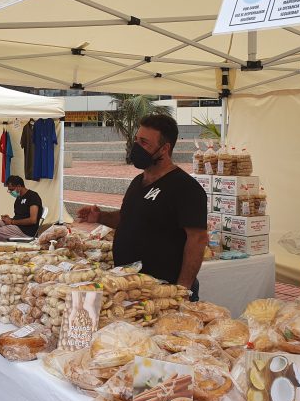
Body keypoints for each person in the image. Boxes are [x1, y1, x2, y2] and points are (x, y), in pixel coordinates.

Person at [77, 114, 208, 300]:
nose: (136, 146)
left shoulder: (186, 188)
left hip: (163, 289)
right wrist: (99, 217)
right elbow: (127, 218)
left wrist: (182, 290)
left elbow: (198, 239)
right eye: (136, 140)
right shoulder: (138, 181)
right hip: (131, 286)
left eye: (144, 142)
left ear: (164, 149)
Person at [0, 175, 43, 241]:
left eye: (11, 189)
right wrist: (9, 219)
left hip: (26, 231)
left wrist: (12, 221)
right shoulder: (18, 198)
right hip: (16, 225)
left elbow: (33, 220)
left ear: (19, 186)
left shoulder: (33, 196)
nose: (10, 192)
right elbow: (20, 217)